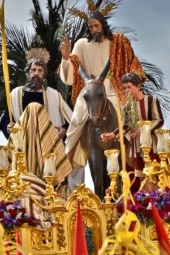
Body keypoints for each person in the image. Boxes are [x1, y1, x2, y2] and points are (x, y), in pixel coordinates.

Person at [59, 9, 145, 189]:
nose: (94, 30)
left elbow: (134, 64)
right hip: (90, 92)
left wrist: (133, 78)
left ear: (103, 25)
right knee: (74, 126)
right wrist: (66, 58)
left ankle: (140, 158)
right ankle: (64, 167)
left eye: (96, 26)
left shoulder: (118, 42)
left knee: (130, 121)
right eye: (90, 27)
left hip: (115, 90)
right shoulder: (82, 44)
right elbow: (69, 77)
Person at [0, 48, 73, 186]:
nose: (36, 74)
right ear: (28, 73)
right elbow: (5, 120)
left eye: (40, 71)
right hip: (23, 146)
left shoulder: (53, 95)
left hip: (48, 145)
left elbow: (71, 120)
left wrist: (63, 129)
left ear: (44, 74)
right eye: (33, 70)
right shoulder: (16, 95)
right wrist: (8, 126)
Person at [101, 72, 164, 193]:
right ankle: (146, 204)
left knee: (153, 175)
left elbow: (159, 120)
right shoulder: (128, 106)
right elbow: (126, 126)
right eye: (124, 88)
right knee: (140, 177)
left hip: (152, 146)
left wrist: (145, 130)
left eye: (129, 87)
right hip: (136, 147)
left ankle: (156, 201)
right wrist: (113, 134)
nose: (126, 91)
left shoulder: (151, 100)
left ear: (138, 86)